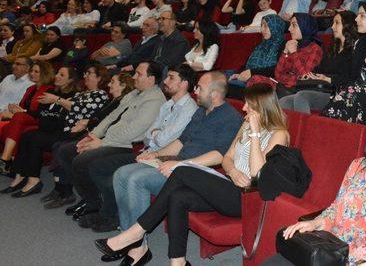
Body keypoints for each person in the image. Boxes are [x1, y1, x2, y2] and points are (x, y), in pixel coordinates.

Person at [95, 83, 288, 266]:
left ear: (264, 107)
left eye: (250, 105)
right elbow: (226, 159)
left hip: (247, 197)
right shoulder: (245, 126)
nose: (244, 108)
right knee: (179, 196)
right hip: (229, 183)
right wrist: (234, 171)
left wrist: (255, 134)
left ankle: (137, 232)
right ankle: (177, 261)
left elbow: (257, 172)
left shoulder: (279, 134)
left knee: (183, 170)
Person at [109, 71, 242, 263]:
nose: (195, 91)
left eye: (200, 88)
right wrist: (157, 154)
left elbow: (219, 156)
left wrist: (180, 164)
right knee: (121, 174)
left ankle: (136, 246)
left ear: (214, 94)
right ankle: (131, 240)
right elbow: (181, 141)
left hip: (193, 175)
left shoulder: (230, 118)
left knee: (136, 180)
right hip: (175, 164)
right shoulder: (200, 111)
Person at [67, 64, 198, 232]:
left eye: (171, 77)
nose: (165, 80)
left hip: (163, 158)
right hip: (147, 151)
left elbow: (162, 137)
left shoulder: (189, 109)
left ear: (184, 84)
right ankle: (109, 211)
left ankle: (113, 217)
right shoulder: (167, 105)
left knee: (114, 174)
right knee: (97, 167)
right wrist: (156, 133)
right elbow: (149, 135)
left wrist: (155, 133)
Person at [272, 116, 366, 265]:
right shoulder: (357, 166)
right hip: (332, 252)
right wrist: (315, 223)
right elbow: (336, 209)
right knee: (274, 262)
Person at [60, 62, 166, 226]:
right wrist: (93, 135)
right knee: (67, 151)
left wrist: (101, 143)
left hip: (127, 145)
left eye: (139, 74)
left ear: (151, 78)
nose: (134, 77)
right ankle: (91, 199)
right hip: (110, 139)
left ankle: (95, 204)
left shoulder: (155, 99)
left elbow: (134, 131)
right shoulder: (135, 93)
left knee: (82, 161)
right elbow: (111, 116)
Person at [1, 66, 110, 197]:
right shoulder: (82, 93)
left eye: (90, 73)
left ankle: (33, 180)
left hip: (74, 133)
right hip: (63, 128)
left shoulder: (100, 95)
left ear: (99, 78)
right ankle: (20, 176)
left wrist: (56, 100)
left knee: (35, 139)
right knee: (27, 135)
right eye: (85, 72)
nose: (85, 75)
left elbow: (79, 109)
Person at [43, 72, 135, 209]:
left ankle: (83, 195)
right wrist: (87, 123)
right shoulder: (114, 101)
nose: (109, 84)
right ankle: (65, 190)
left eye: (113, 82)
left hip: (108, 139)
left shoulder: (124, 103)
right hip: (95, 133)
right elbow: (99, 119)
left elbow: (111, 125)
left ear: (122, 85)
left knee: (65, 150)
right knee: (61, 147)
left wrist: (89, 128)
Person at [280, 11, 358, 114]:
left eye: (337, 23)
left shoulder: (354, 50)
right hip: (322, 88)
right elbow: (319, 69)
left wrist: (328, 78)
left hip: (337, 91)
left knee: (302, 96)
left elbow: (351, 77)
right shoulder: (333, 49)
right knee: (284, 101)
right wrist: (312, 75)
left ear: (347, 25)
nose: (332, 27)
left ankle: (305, 130)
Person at [0, 61, 54, 174]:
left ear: (44, 73)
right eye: (32, 71)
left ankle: (5, 159)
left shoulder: (49, 89)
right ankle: (13, 163)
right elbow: (22, 107)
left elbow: (43, 113)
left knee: (18, 119)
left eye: (36, 72)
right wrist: (14, 108)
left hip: (39, 121)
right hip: (25, 119)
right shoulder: (31, 89)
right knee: (9, 126)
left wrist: (21, 111)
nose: (32, 74)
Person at [248, 13, 323, 92]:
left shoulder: (315, 49)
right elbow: (278, 74)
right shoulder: (293, 44)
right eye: (290, 25)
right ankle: (248, 104)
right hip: (282, 85)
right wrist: (285, 52)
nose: (289, 29)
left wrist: (294, 53)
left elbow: (305, 77)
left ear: (305, 27)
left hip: (296, 89)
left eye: (294, 25)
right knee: (255, 79)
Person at [228, 14, 288, 94]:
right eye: (261, 26)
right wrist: (238, 74)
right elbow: (247, 64)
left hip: (265, 82)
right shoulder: (262, 44)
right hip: (250, 76)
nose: (262, 30)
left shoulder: (283, 45)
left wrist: (252, 72)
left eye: (266, 26)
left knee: (226, 86)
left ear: (275, 27)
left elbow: (277, 69)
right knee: (224, 75)